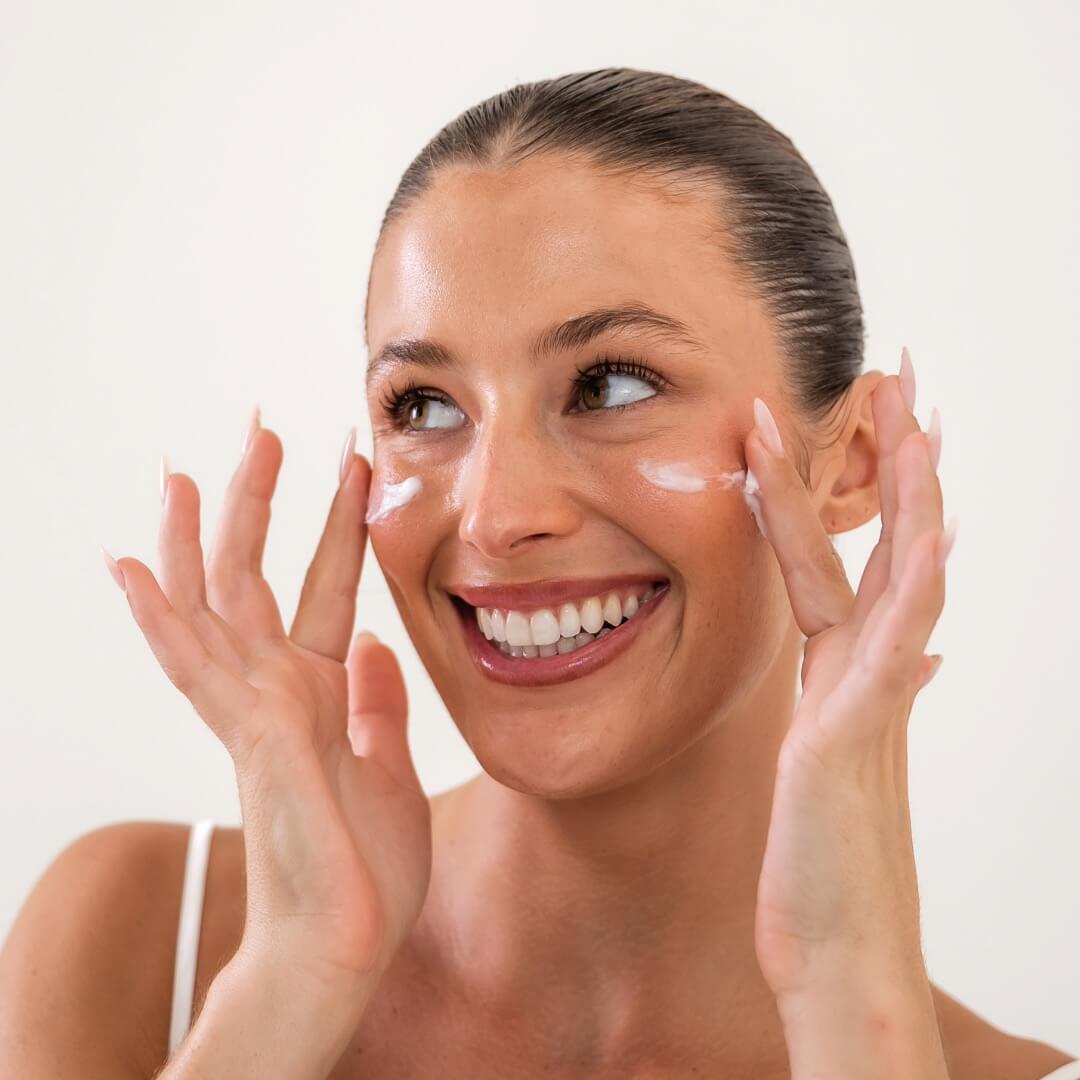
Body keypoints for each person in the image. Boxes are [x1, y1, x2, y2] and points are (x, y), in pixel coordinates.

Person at [1, 66, 1076, 1079]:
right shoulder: (144, 943)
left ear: (854, 465)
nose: (498, 513)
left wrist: (852, 994)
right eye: (424, 406)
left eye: (610, 385)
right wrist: (292, 982)